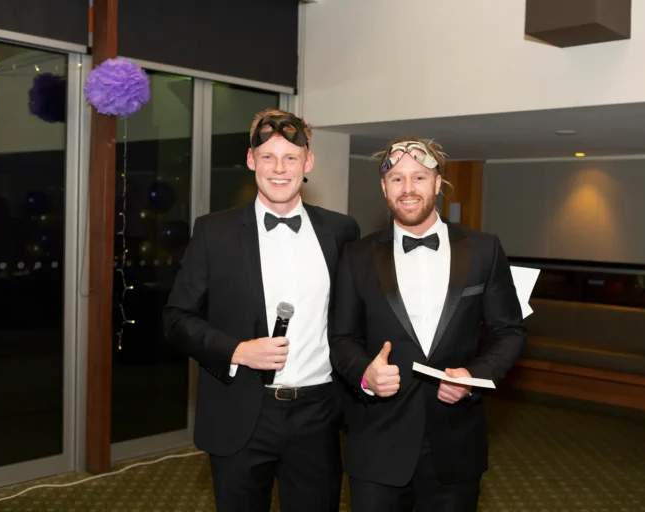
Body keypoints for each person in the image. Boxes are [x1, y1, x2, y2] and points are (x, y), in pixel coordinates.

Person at [164, 108, 359, 512]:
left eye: (290, 157)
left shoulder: (341, 231)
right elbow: (176, 319)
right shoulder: (213, 231)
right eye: (268, 156)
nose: (279, 169)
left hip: (318, 414)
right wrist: (237, 351)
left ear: (308, 162)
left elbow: (354, 318)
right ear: (251, 160)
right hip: (239, 412)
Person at [329, 137, 527, 512]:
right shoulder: (356, 255)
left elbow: (509, 331)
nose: (408, 188)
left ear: (437, 184)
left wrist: (472, 377)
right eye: (397, 179)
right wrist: (364, 375)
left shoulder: (484, 249)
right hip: (377, 442)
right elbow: (342, 338)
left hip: (455, 444)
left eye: (419, 177)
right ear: (384, 188)